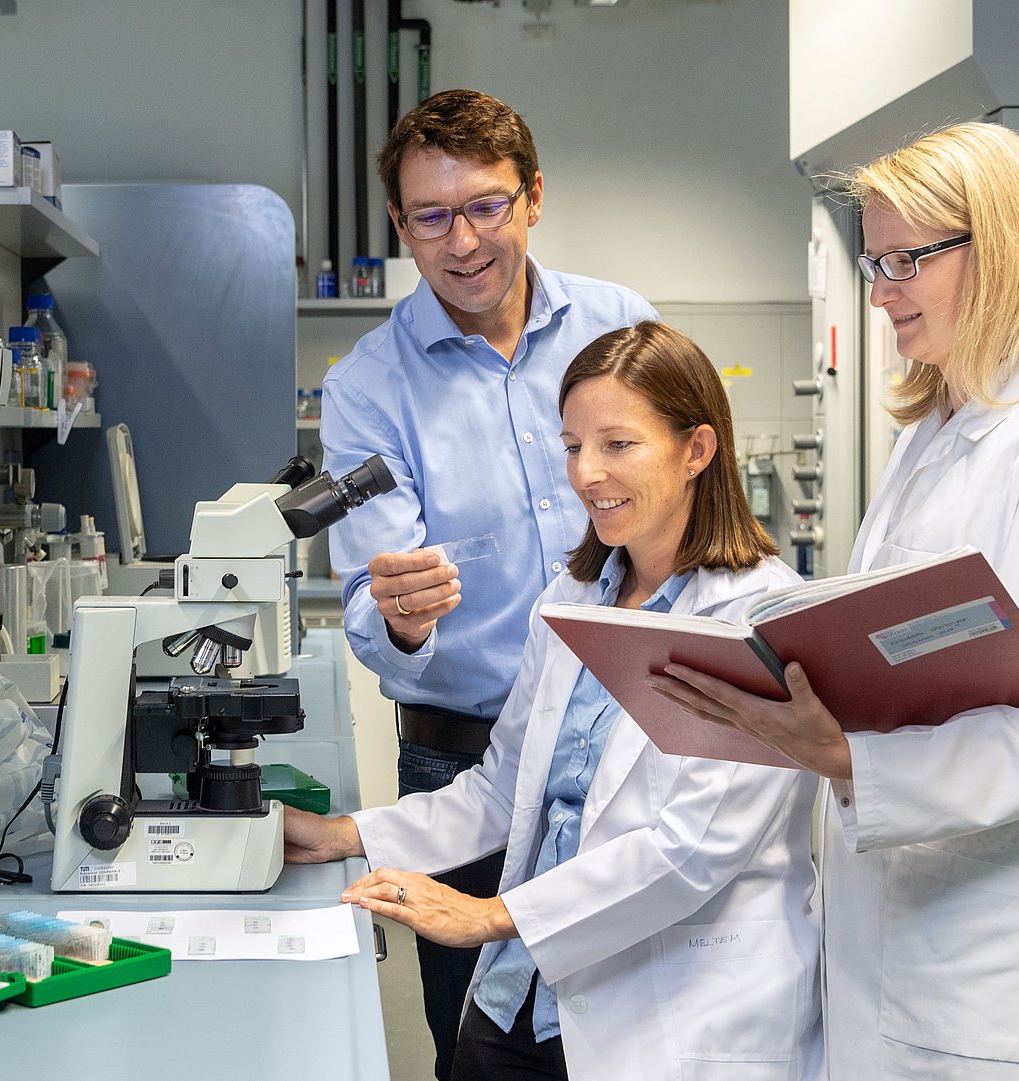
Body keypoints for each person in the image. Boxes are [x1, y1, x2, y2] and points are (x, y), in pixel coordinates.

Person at [649, 122, 1019, 1079]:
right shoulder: (936, 434)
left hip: (998, 982)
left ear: (1002, 250)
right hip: (890, 952)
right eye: (873, 260)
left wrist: (844, 754)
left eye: (905, 260)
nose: (880, 289)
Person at [292, 321, 823, 1081]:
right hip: (521, 999)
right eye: (573, 445)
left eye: (618, 444)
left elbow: (693, 845)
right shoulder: (577, 595)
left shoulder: (758, 618)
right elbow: (502, 789)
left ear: (697, 450)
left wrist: (490, 915)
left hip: (673, 1013)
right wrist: (343, 834)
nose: (586, 473)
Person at [320, 88, 655, 1078]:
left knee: (636, 1029)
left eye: (486, 207)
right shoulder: (368, 385)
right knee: (483, 1048)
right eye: (432, 216)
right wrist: (403, 617)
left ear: (533, 197)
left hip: (627, 743)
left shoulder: (619, 328)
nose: (462, 241)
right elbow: (369, 610)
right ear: (399, 225)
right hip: (461, 761)